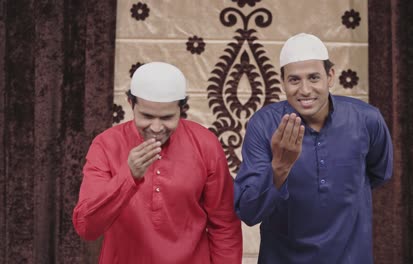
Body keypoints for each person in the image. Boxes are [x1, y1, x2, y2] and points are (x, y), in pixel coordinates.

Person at [234, 33, 393, 263]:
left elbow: (379, 173)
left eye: (314, 77)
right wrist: (280, 166)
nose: (305, 90)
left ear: (330, 76)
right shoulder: (264, 125)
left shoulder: (367, 119)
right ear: (283, 82)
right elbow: (249, 212)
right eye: (294, 80)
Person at [73, 62, 242, 263]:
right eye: (146, 116)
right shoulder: (106, 145)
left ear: (182, 108)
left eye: (167, 117)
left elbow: (224, 226)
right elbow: (87, 227)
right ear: (130, 103)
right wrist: (128, 176)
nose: (156, 127)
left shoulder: (205, 144)